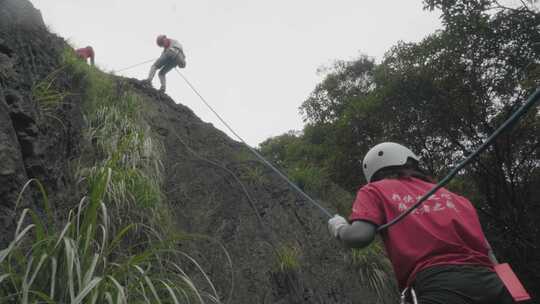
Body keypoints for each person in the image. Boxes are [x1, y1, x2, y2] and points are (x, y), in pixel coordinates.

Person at [328, 142, 515, 304]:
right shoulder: (456, 198)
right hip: (493, 284)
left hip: (440, 286)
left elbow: (359, 237)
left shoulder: (374, 190)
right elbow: (489, 252)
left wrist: (339, 227)